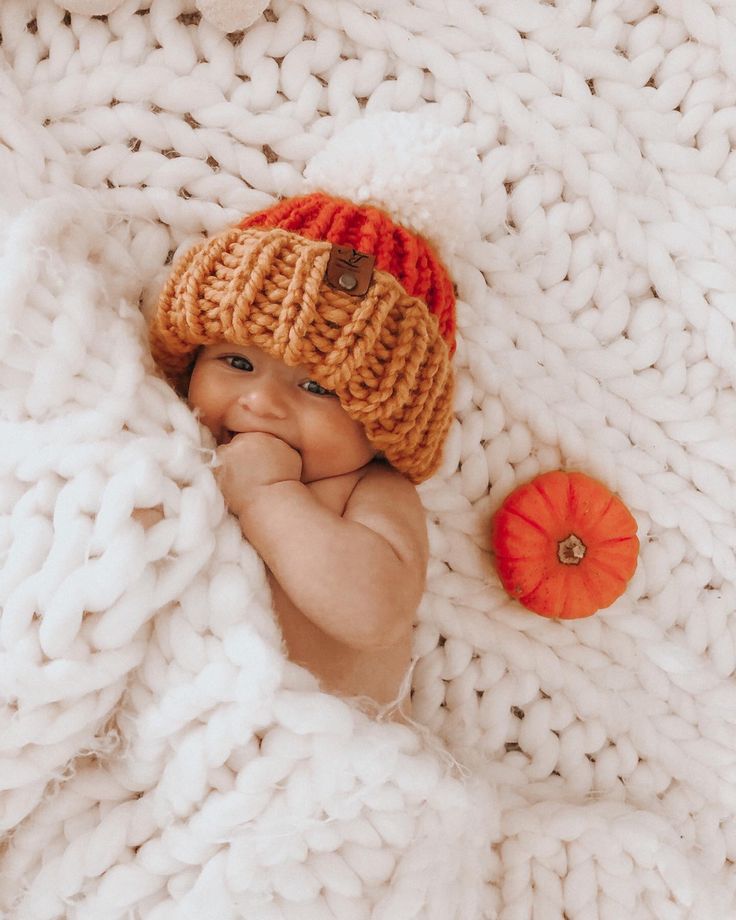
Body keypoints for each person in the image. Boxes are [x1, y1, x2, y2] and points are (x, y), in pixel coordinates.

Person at [146, 192, 457, 719]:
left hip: (320, 750)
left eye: (316, 387)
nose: (263, 401)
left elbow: (375, 611)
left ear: (382, 427)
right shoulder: (175, 443)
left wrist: (269, 499)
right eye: (237, 362)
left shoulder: (371, 490)